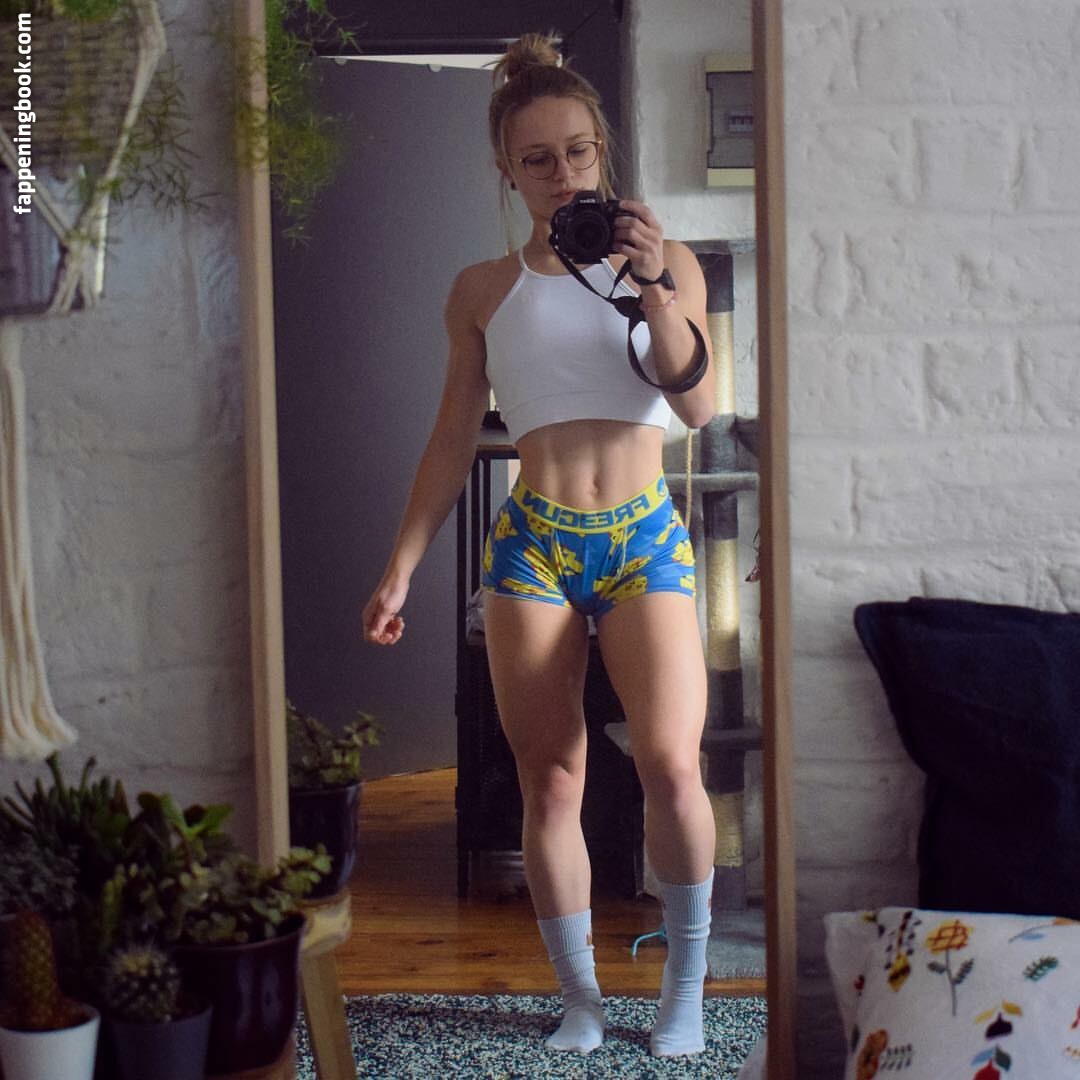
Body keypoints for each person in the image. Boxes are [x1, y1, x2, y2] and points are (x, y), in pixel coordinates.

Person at [361, 32, 718, 1059]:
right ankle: (582, 1001)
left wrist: (652, 286)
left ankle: (685, 992)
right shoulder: (482, 290)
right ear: (506, 171)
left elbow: (696, 406)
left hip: (642, 535)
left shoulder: (669, 264)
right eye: (537, 159)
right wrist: (399, 569)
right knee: (552, 777)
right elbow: (449, 439)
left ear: (602, 149)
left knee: (671, 765)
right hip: (534, 545)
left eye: (577, 152)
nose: (563, 175)